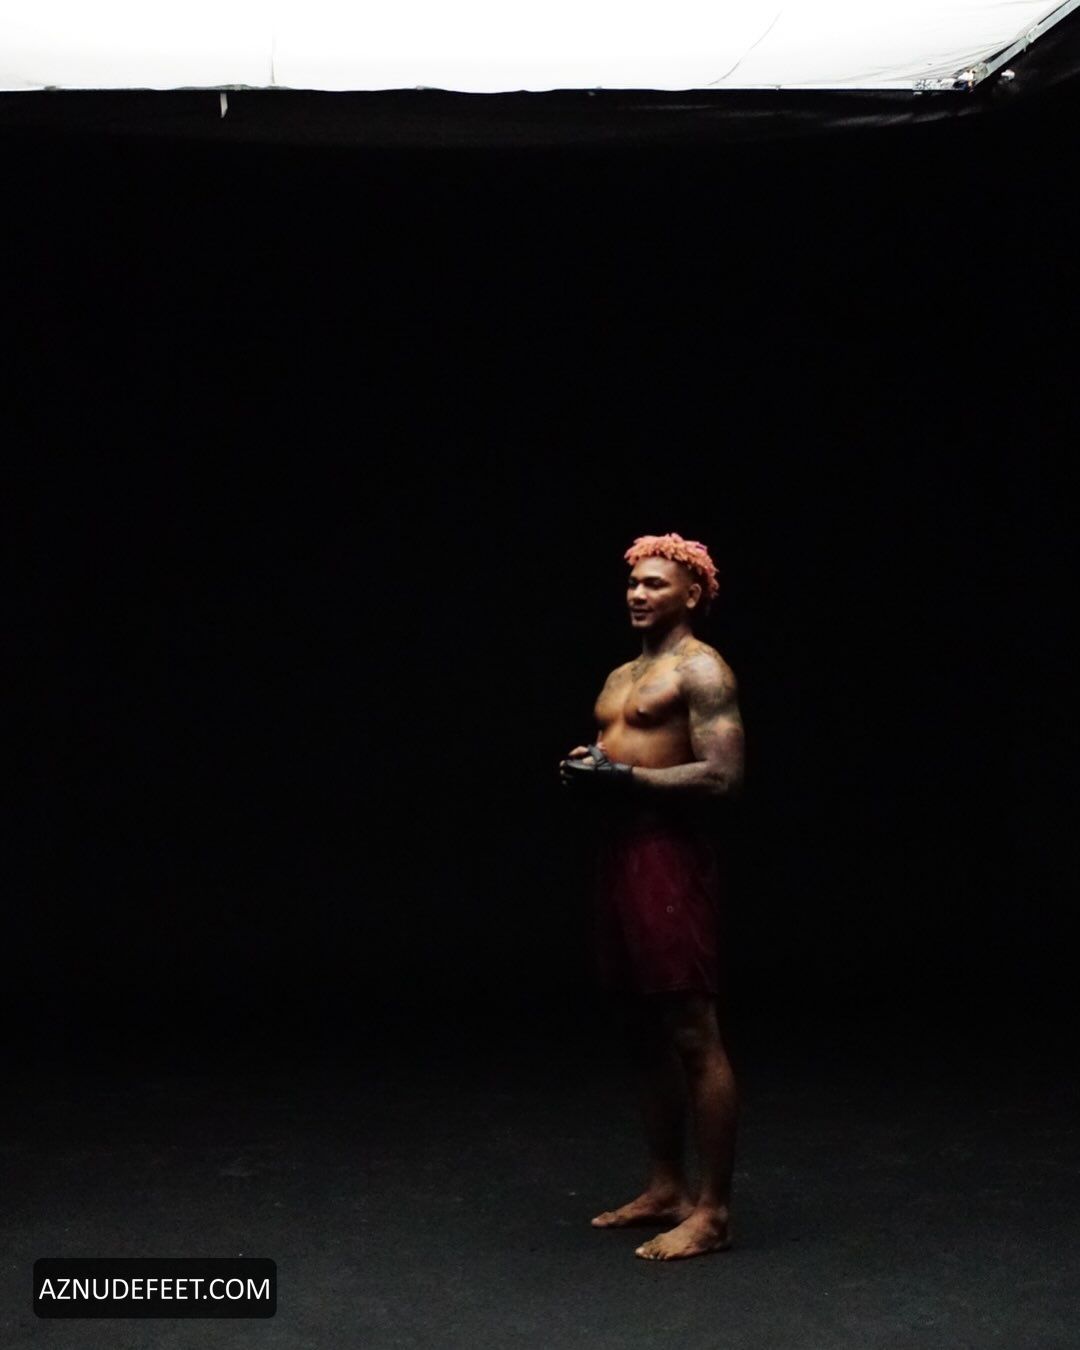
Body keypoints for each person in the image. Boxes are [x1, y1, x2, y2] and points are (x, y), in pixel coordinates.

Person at [560, 532, 745, 1261]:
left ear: (691, 594)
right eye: (633, 582)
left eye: (655, 584)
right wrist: (592, 766)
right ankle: (667, 1186)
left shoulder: (703, 669)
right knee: (638, 1026)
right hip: (618, 854)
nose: (637, 593)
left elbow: (723, 775)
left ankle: (713, 1212)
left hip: (670, 854)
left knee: (693, 1029)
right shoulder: (620, 675)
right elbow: (623, 755)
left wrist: (626, 779)